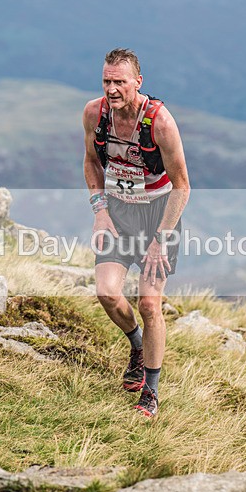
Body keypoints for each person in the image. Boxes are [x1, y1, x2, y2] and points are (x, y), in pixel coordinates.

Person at [82, 48, 190, 418]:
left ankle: (151, 391)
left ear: (138, 82)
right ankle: (137, 346)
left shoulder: (160, 123)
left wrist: (161, 240)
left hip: (160, 216)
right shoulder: (94, 113)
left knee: (148, 303)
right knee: (107, 293)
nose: (112, 89)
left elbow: (182, 186)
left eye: (120, 82)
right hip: (118, 212)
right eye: (106, 81)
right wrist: (100, 213)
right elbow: (91, 162)